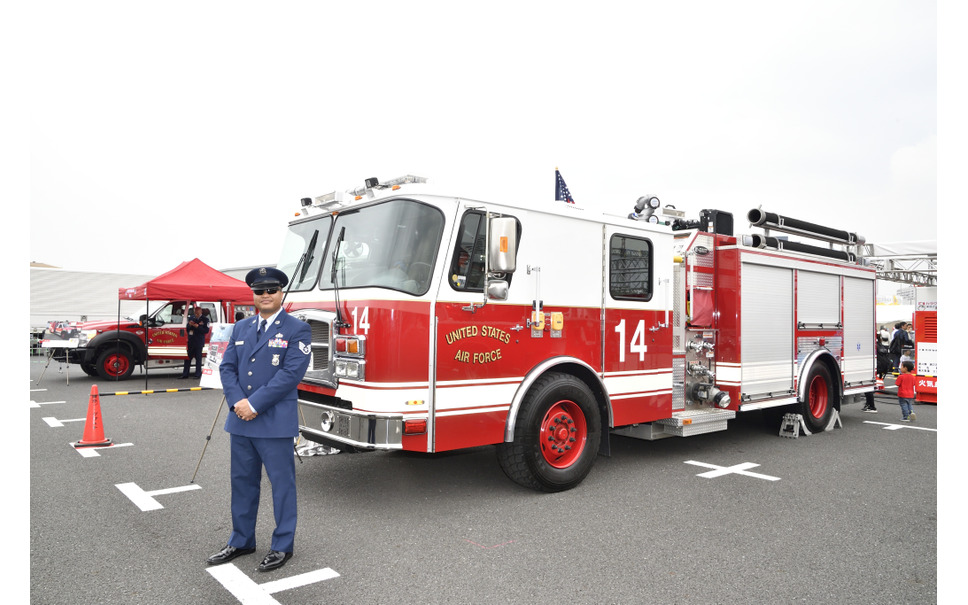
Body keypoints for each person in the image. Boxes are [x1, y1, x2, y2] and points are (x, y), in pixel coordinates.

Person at [206, 267, 312, 573]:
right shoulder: (241, 328)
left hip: (274, 420)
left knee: (282, 486)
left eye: (271, 290)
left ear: (281, 293)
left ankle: (282, 545)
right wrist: (239, 401)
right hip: (241, 419)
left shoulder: (297, 329)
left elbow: (291, 374)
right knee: (242, 483)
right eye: (259, 291)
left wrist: (254, 403)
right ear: (253, 295)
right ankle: (241, 540)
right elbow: (227, 368)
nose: (265, 296)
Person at [180, 306, 210, 378]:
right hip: (191, 340)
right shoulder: (191, 318)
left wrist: (198, 327)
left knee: (198, 358)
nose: (196, 313)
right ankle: (185, 374)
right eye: (195, 312)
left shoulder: (205, 319)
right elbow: (187, 329)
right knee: (187, 358)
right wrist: (190, 325)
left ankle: (197, 374)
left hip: (199, 341)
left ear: (200, 312)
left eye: (197, 312)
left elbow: (206, 330)